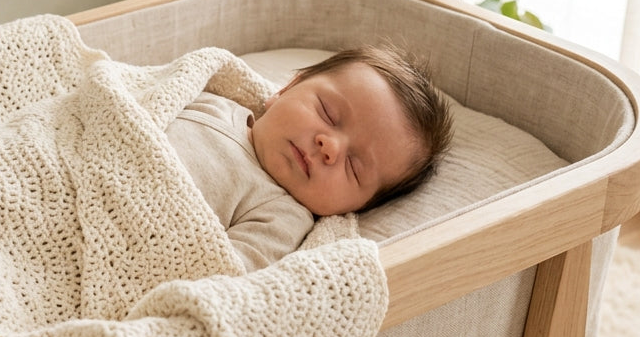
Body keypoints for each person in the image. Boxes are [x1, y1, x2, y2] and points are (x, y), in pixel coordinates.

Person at [166, 45, 454, 271]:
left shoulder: (281, 216)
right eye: (327, 113)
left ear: (357, 206)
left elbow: (222, 274)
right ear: (286, 89)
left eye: (353, 167)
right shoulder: (210, 100)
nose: (329, 146)